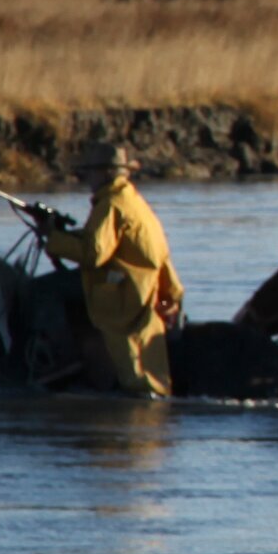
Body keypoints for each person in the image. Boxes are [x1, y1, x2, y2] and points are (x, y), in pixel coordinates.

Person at [37, 142, 183, 397]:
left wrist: (53, 238)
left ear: (104, 173)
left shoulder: (110, 205)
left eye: (90, 172)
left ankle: (60, 361)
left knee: (42, 290)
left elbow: (94, 254)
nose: (86, 178)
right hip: (145, 287)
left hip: (124, 292)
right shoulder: (133, 201)